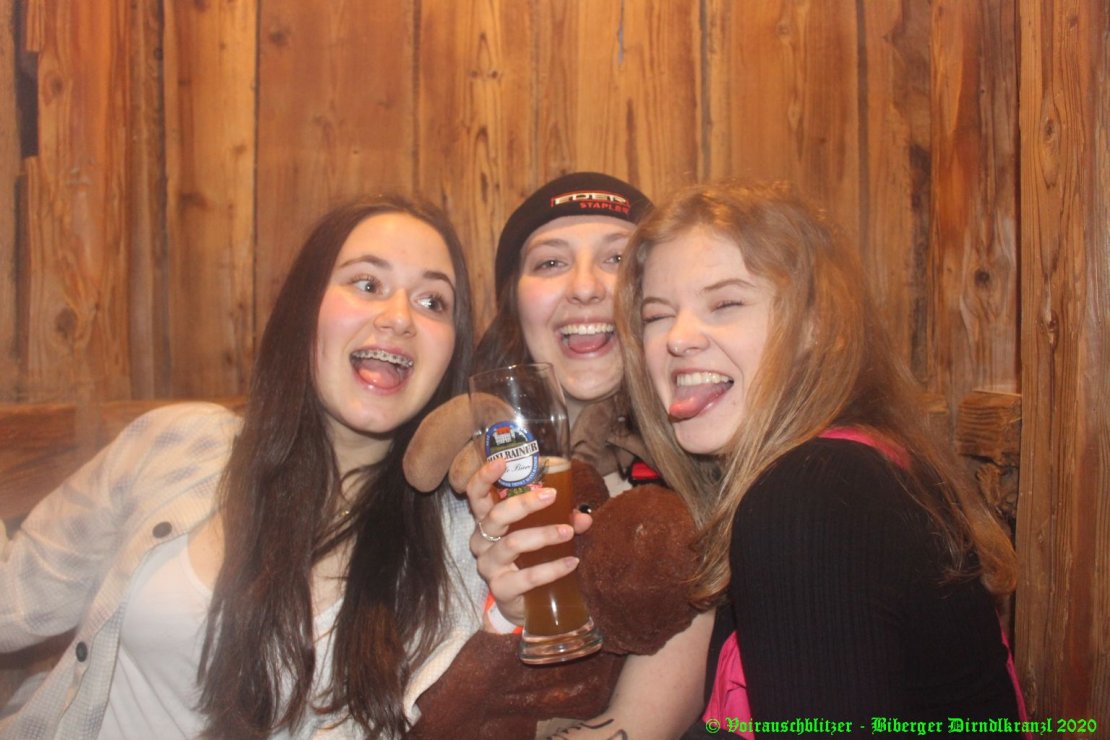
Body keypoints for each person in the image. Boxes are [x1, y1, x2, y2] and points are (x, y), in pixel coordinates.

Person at [0, 195, 485, 739]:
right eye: (367, 284)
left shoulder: (460, 545)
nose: (398, 317)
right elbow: (13, 598)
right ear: (305, 308)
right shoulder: (174, 442)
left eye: (432, 301)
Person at [615, 181, 1025, 730]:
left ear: (816, 327)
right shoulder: (861, 466)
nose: (678, 338)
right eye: (657, 315)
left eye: (726, 303)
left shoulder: (810, 494)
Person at [462, 172, 714, 737]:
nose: (584, 287)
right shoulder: (453, 473)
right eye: (551, 262)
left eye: (617, 259)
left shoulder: (696, 487)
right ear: (512, 301)